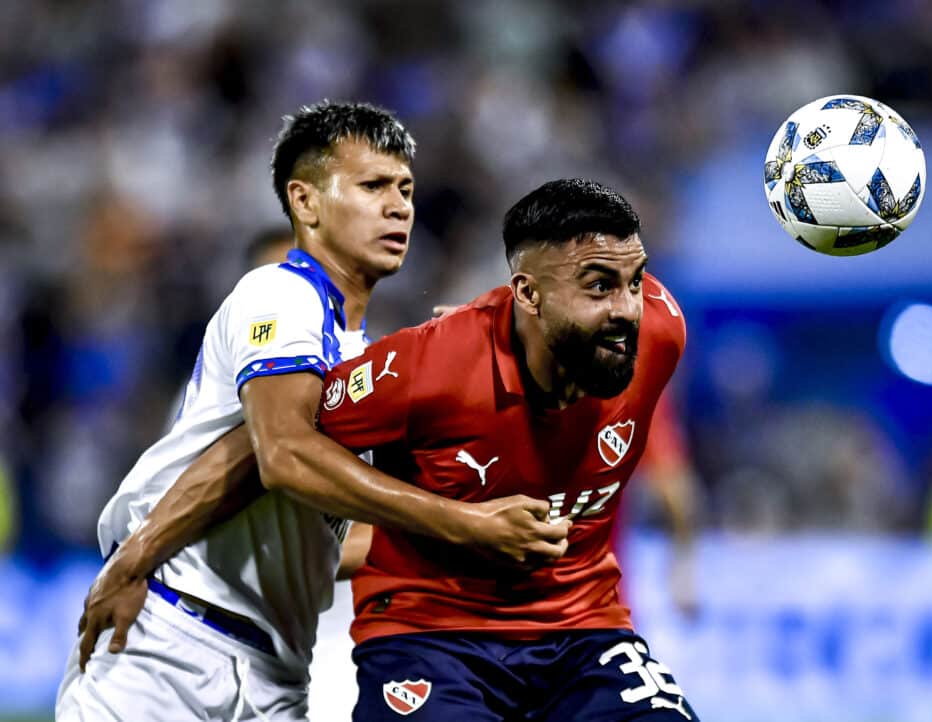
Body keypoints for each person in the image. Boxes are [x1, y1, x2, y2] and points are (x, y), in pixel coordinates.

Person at [57, 101, 569, 721]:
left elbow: (334, 539)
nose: (399, 206)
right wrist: (469, 525)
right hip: (168, 644)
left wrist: (477, 531)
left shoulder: (362, 364)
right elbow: (284, 455)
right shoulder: (279, 291)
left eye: (406, 189)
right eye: (373, 185)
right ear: (305, 202)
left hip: (276, 673)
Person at [318, 178, 700, 720]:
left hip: (581, 630)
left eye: (634, 282)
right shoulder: (429, 367)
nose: (626, 310)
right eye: (598, 287)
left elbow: (674, 477)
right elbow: (290, 445)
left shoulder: (657, 336)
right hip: (432, 632)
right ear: (527, 295)